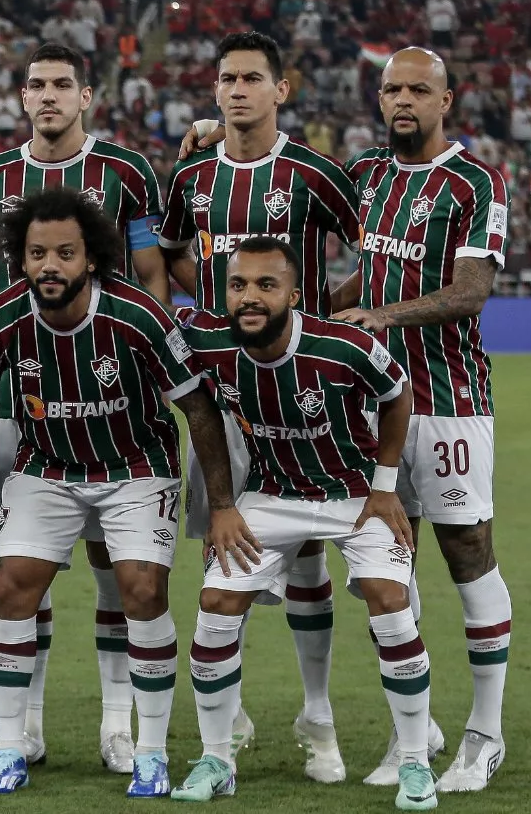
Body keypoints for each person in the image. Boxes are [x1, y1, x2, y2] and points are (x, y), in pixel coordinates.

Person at [0, 187, 243, 798]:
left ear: (92, 258)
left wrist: (223, 505)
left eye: (65, 253)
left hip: (135, 469)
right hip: (46, 468)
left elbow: (199, 412)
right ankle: (10, 749)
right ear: (19, 259)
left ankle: (150, 754)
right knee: (13, 586)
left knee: (142, 590)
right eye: (37, 253)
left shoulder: (137, 317)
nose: (50, 265)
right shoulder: (0, 320)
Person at [167, 237, 436, 812]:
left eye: (266, 285)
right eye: (239, 285)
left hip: (355, 495)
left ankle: (415, 762)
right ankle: (217, 758)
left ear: (293, 293)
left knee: (391, 604)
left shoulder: (342, 347)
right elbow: (184, 387)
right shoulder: (207, 343)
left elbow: (398, 394)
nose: (250, 298)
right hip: (272, 496)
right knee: (215, 608)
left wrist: (386, 487)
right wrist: (222, 504)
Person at [159, 31, 362, 780]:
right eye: (226, 78)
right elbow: (171, 249)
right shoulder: (193, 175)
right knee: (224, 550)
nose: (238, 89)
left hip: (303, 389)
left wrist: (330, 313)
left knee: (308, 554)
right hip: (223, 392)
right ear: (214, 92)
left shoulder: (312, 172)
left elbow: (374, 246)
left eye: (252, 78)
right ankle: (230, 715)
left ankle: (318, 713)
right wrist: (215, 307)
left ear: (283, 90)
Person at [0, 42, 166, 773]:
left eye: (61, 85)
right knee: (23, 568)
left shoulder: (128, 171)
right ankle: (29, 728)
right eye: (35, 85)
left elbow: (150, 277)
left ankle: (120, 723)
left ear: (87, 96)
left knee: (120, 566)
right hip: (20, 404)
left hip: (117, 399)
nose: (47, 96)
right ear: (21, 97)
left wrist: (145, 369)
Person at [332, 47, 511, 793]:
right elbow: (361, 268)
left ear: (447, 99)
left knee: (466, 549)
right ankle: (419, 730)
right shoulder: (368, 175)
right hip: (373, 401)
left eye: (417, 89)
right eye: (391, 89)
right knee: (384, 566)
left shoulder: (475, 182)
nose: (402, 100)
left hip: (449, 400)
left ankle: (485, 732)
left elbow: (470, 292)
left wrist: (381, 313)